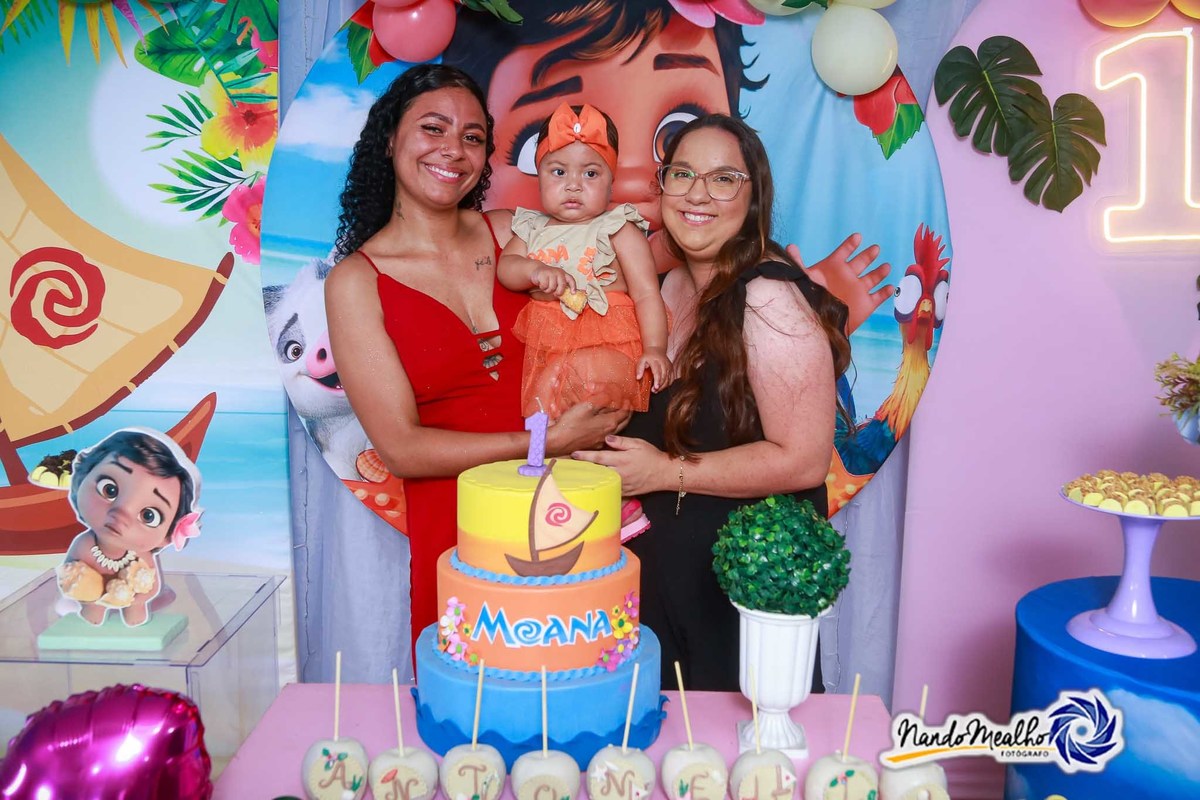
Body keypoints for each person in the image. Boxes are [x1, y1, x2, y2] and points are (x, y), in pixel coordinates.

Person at [324, 64, 626, 659]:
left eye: (472, 137)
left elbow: (624, 274)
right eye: (433, 128)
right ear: (389, 139)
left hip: (570, 505)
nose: (453, 150)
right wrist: (544, 442)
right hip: (457, 527)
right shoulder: (356, 282)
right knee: (477, 698)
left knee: (580, 680)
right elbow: (402, 450)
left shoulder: (517, 233)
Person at [574, 115, 853, 691]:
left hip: (735, 600)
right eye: (682, 174)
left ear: (753, 198)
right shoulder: (668, 287)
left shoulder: (767, 296)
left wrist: (663, 471)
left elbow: (804, 460)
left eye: (723, 179)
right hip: (657, 592)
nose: (697, 194)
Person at [443, 0, 892, 332]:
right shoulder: (514, 233)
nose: (628, 180)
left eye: (672, 135)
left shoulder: (704, 282)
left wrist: (817, 324)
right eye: (549, 160)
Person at [498, 102, 670, 420]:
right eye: (559, 172)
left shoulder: (619, 228)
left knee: (560, 381)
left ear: (611, 181)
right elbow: (506, 267)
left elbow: (647, 293)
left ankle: (549, 442)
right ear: (539, 178)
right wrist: (533, 270)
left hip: (611, 349)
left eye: (590, 173)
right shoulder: (532, 229)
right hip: (551, 348)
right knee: (544, 403)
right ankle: (542, 447)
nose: (573, 185)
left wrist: (656, 348)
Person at [57, 428, 203, 628]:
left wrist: (138, 600)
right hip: (91, 594)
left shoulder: (141, 557)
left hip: (132, 597)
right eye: (109, 489)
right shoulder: (84, 544)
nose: (121, 513)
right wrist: (81, 588)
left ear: (168, 536)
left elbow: (151, 585)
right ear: (83, 478)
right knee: (91, 605)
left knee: (136, 609)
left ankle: (134, 612)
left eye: (149, 515)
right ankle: (93, 610)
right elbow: (69, 571)